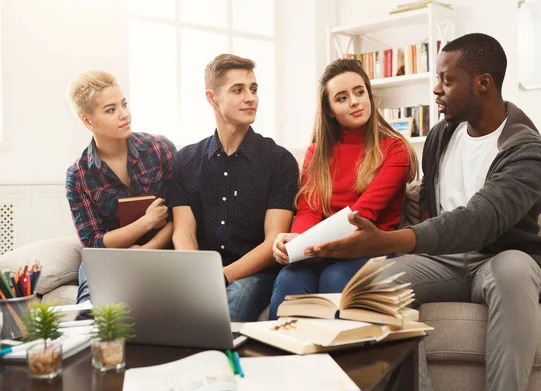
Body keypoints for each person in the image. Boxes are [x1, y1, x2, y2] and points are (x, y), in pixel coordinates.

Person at [305, 34, 541, 391]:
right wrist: (423, 219)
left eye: (447, 80)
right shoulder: (442, 134)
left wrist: (388, 240)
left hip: (499, 256)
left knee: (514, 272)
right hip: (444, 261)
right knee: (368, 286)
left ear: (483, 84)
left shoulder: (528, 152)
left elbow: (481, 218)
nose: (436, 90)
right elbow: (430, 190)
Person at [269, 58, 419, 320]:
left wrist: (313, 245)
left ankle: (337, 361)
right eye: (342, 98)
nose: (354, 101)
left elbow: (364, 213)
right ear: (329, 110)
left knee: (334, 276)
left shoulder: (395, 149)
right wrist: (294, 242)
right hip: (321, 249)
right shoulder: (316, 153)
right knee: (289, 278)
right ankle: (279, 359)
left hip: (370, 248)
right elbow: (309, 209)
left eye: (359, 92)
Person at [168, 54, 299, 322]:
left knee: (236, 299)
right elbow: (183, 231)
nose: (250, 98)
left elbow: (273, 240)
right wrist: (197, 275)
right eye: (238, 90)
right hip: (202, 269)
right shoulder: (185, 160)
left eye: (253, 89)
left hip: (255, 274)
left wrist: (222, 276)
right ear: (211, 98)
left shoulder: (279, 160)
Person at [66, 71, 176, 305]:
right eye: (111, 110)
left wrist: (148, 249)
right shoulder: (78, 175)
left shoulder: (160, 148)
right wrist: (145, 222)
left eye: (124, 104)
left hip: (165, 250)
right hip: (110, 258)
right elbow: (94, 242)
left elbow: (181, 215)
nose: (124, 114)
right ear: (88, 121)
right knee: (91, 295)